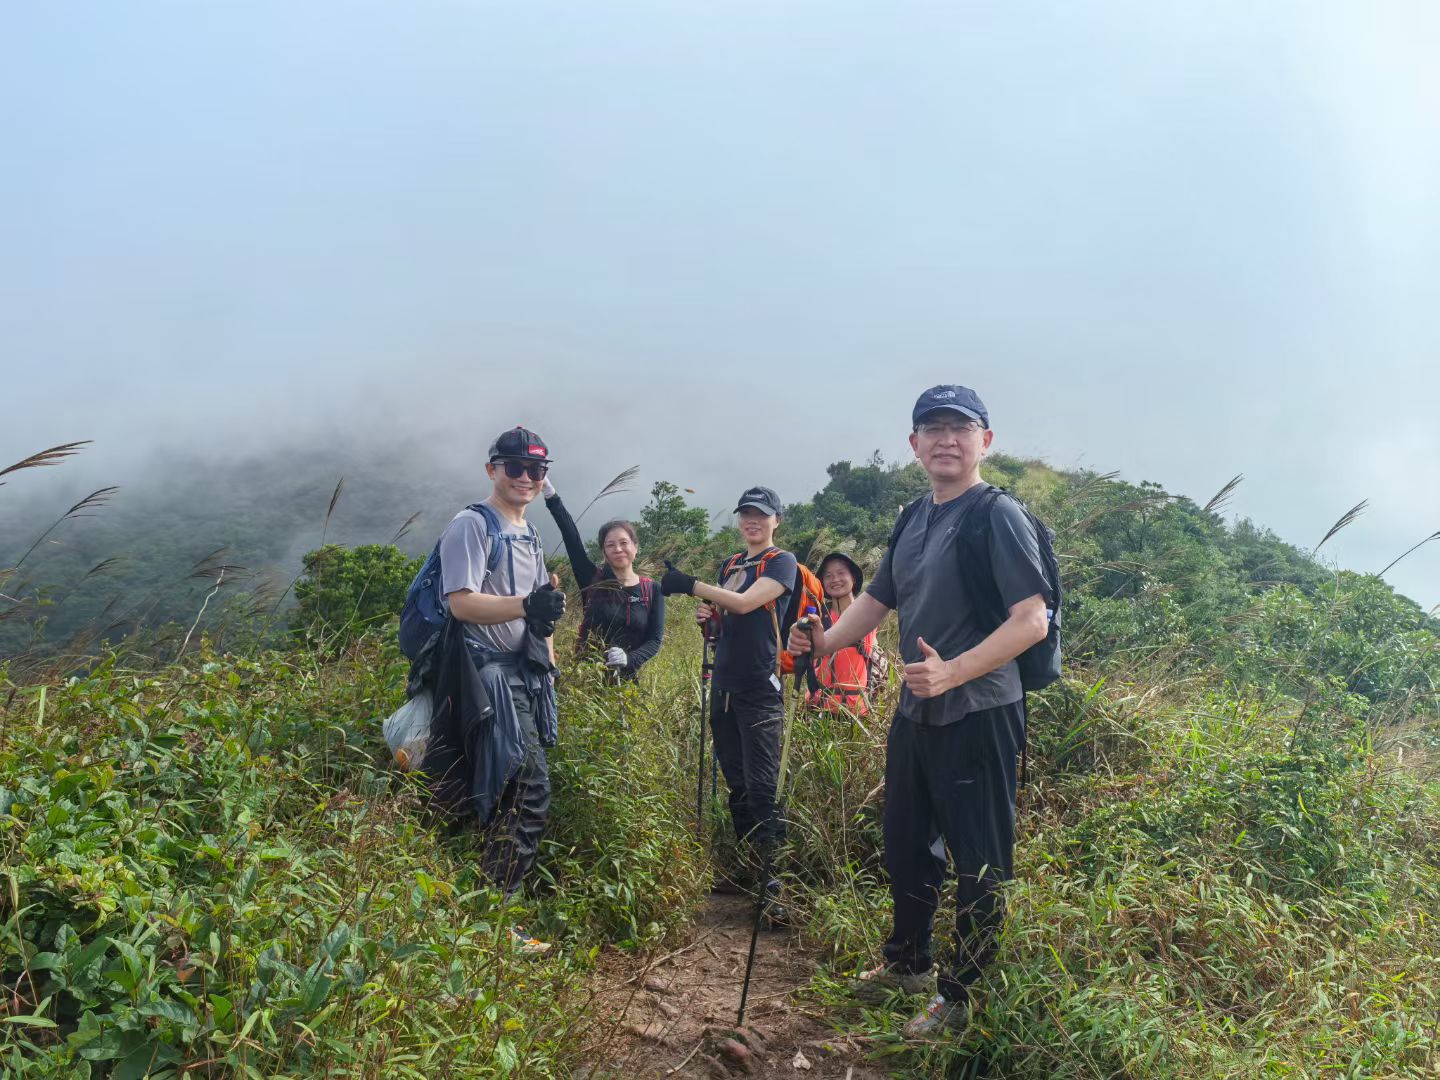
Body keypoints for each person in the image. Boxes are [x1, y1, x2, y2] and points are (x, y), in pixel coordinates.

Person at [788, 385, 1051, 1036]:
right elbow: (878, 601)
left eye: (961, 428)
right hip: (916, 711)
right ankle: (908, 963)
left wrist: (953, 671)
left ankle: (963, 998)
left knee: (980, 858)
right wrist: (823, 642)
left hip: (980, 710)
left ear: (985, 441)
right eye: (933, 429)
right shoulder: (912, 518)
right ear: (914, 444)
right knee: (907, 843)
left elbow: (1032, 621)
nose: (946, 440)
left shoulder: (997, 515)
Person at [421, 425, 567, 956]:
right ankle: (495, 920)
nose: (526, 477)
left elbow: (538, 611)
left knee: (508, 788)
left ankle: (478, 916)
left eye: (537, 469)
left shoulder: (529, 532)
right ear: (493, 470)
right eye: (515, 467)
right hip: (488, 676)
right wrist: (527, 605)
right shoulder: (472, 525)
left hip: (525, 674)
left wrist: (549, 663)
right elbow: (461, 602)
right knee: (529, 788)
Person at [659, 486, 796, 919]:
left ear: (776, 520)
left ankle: (775, 883)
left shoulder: (781, 562)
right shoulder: (732, 564)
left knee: (762, 784)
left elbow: (747, 602)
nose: (752, 521)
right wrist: (707, 618)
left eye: (761, 514)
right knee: (737, 783)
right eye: (746, 514)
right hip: (724, 686)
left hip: (760, 688)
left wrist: (691, 586)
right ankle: (751, 869)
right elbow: (727, 616)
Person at [542, 477, 665, 679]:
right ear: (604, 552)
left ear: (635, 547)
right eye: (610, 545)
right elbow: (571, 538)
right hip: (585, 680)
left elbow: (655, 640)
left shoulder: (652, 590)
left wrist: (629, 659)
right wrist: (551, 497)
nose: (618, 549)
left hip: (627, 684)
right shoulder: (593, 580)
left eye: (624, 543)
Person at [805, 552, 879, 717]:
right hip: (818, 707)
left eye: (841, 573)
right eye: (828, 576)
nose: (835, 579)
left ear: (853, 578)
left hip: (855, 711)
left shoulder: (866, 614)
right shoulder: (818, 616)